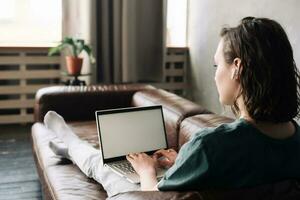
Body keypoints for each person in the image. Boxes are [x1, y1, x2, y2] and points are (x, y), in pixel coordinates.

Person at [44, 16, 300, 197]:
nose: (214, 75)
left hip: (144, 193)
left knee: (105, 168)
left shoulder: (211, 145)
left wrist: (147, 171)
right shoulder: (295, 139)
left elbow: (154, 196)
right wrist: (185, 163)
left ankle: (71, 144)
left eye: (216, 66)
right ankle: (69, 148)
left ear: (237, 68)